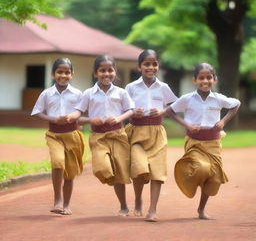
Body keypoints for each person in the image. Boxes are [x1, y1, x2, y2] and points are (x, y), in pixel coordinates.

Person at [166, 62, 241, 219]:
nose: (205, 81)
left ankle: (201, 209)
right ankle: (190, 179)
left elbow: (236, 104)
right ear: (195, 80)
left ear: (215, 79)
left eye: (209, 77)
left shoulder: (219, 99)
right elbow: (170, 111)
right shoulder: (187, 99)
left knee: (214, 179)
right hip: (194, 143)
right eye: (201, 78)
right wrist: (187, 125)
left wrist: (223, 122)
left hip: (214, 143)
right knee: (201, 168)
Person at [67, 55, 134, 217]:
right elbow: (79, 113)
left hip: (118, 135)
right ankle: (110, 177)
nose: (106, 73)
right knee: (101, 168)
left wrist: (118, 118)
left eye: (110, 70)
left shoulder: (121, 92)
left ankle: (124, 205)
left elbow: (130, 110)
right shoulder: (89, 94)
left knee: (119, 171)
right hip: (98, 136)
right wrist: (88, 119)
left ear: (115, 71)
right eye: (102, 70)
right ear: (95, 73)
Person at [125, 49, 177, 222]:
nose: (151, 67)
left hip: (157, 134)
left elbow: (174, 105)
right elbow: (124, 109)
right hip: (136, 133)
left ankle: (153, 209)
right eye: (146, 64)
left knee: (157, 172)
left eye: (154, 64)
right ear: (139, 67)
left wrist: (162, 111)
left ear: (158, 65)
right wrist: (133, 112)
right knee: (138, 169)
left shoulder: (164, 87)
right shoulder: (131, 88)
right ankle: (138, 199)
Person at [31, 58, 85, 215]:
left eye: (67, 72)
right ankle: (57, 200)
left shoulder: (77, 94)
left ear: (72, 74)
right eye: (60, 72)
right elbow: (37, 112)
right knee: (57, 162)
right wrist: (53, 119)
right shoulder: (46, 94)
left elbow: (81, 112)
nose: (63, 75)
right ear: (53, 74)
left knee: (70, 172)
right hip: (54, 135)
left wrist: (72, 117)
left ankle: (66, 204)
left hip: (73, 136)